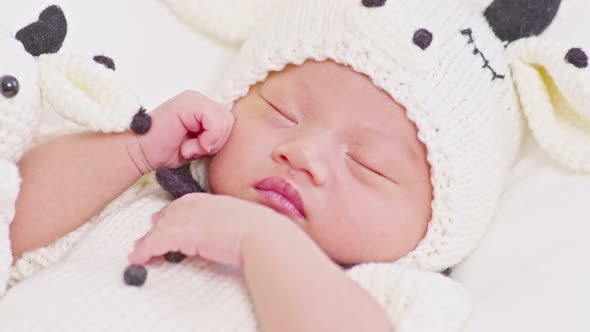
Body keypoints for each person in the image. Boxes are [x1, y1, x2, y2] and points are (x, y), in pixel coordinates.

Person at [3, 0, 588, 331]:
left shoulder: (382, 293)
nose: (304, 153)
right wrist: (131, 150)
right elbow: (14, 224)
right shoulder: (146, 190)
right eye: (282, 111)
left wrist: (264, 245)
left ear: (435, 230)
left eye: (370, 165)